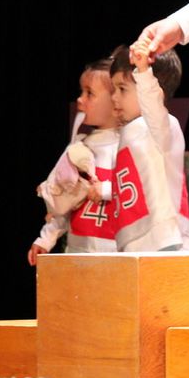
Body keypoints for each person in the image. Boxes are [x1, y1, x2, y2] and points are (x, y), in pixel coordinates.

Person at [28, 59, 119, 264]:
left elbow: (141, 192)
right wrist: (46, 238)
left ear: (116, 103)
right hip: (77, 254)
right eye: (81, 92)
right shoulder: (78, 150)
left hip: (117, 256)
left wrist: (105, 189)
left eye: (89, 93)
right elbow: (64, 201)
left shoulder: (129, 149)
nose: (79, 99)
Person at [110, 43, 189, 251]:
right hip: (132, 242)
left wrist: (144, 71)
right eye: (113, 89)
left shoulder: (162, 126)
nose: (114, 97)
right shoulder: (129, 131)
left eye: (122, 89)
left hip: (164, 241)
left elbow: (153, 106)